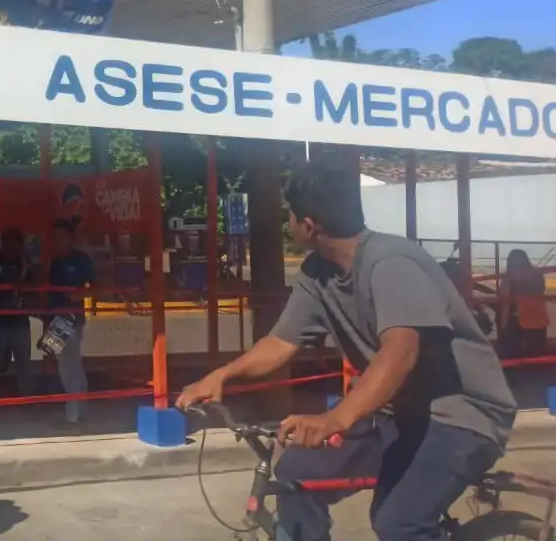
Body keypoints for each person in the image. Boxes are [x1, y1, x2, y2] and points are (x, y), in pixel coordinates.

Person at [176, 160, 516, 541]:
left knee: (399, 522)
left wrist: (336, 418)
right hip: (393, 412)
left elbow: (400, 353)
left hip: (460, 416)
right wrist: (221, 376)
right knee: (296, 477)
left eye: (290, 215)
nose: (288, 223)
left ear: (309, 225)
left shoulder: (392, 264)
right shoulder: (317, 273)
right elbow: (280, 343)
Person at [47, 219, 94, 424]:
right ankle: (81, 411)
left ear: (70, 237)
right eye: (56, 237)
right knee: (67, 364)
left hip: (72, 318)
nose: (59, 240)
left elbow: (95, 286)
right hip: (57, 318)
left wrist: (80, 294)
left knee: (70, 366)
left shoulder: (81, 259)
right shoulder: (55, 261)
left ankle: (72, 415)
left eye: (62, 236)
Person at [0, 227, 36, 398]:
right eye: (9, 241)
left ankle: (27, 398)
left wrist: (23, 279)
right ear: (3, 243)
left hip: (19, 319)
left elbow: (32, 287)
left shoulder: (24, 262)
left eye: (16, 242)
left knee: (24, 362)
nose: (12, 245)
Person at [499, 249, 549, 358]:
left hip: (525, 316)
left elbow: (504, 298)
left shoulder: (515, 276)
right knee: (535, 353)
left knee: (512, 351)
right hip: (530, 317)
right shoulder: (535, 273)